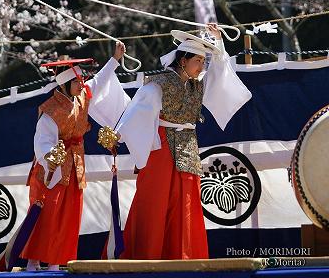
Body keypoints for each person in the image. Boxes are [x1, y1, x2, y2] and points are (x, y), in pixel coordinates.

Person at [113, 24, 252, 260]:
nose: (202, 66)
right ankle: (147, 257)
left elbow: (220, 73)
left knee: (185, 204)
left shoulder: (197, 85)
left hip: (188, 147)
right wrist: (118, 134)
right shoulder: (159, 82)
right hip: (162, 148)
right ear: (183, 60)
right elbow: (138, 110)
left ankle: (184, 258)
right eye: (198, 60)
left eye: (203, 61)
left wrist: (218, 42)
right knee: (155, 202)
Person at [21, 41, 130, 271]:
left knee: (69, 216)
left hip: (75, 166)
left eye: (81, 81)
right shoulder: (50, 111)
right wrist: (52, 157)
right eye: (77, 81)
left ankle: (55, 262)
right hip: (51, 170)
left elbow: (99, 81)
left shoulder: (82, 96)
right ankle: (32, 262)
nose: (82, 84)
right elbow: (41, 143)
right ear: (64, 84)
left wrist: (115, 59)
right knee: (46, 217)